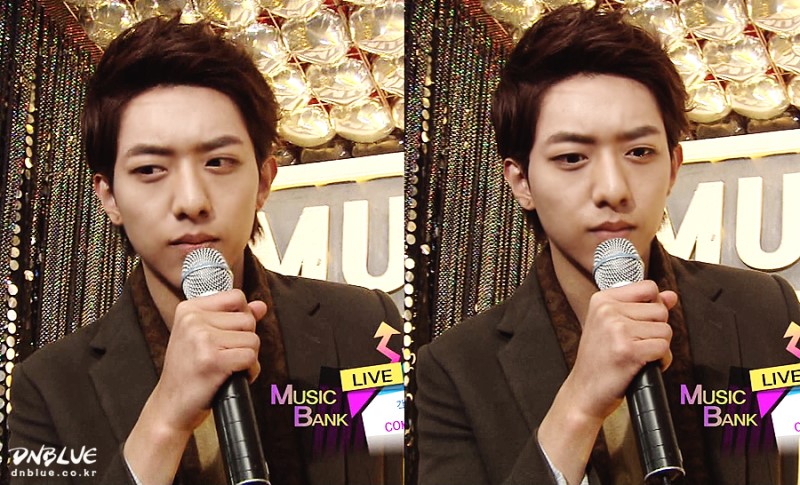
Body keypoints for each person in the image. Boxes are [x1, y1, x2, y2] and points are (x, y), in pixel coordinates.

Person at [415, 5, 800, 485]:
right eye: (572, 158)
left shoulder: (763, 309)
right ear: (521, 182)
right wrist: (579, 403)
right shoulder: (455, 370)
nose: (613, 188)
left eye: (639, 152)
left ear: (673, 167)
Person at [8, 15, 401, 485]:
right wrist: (166, 418)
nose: (191, 201)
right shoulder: (48, 389)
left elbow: (391, 468)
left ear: (263, 181)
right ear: (109, 197)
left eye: (218, 162)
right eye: (150, 169)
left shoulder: (363, 326)